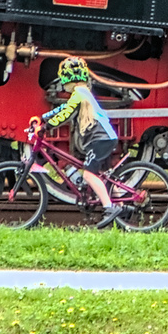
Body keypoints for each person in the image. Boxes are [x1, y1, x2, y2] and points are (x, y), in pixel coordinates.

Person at [43, 57, 123, 228]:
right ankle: (122, 207)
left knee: (88, 174)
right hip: (106, 137)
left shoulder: (79, 93)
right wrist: (45, 117)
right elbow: (63, 108)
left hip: (99, 139)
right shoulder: (82, 92)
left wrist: (48, 126)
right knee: (104, 174)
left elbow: (67, 113)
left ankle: (109, 208)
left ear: (67, 78)